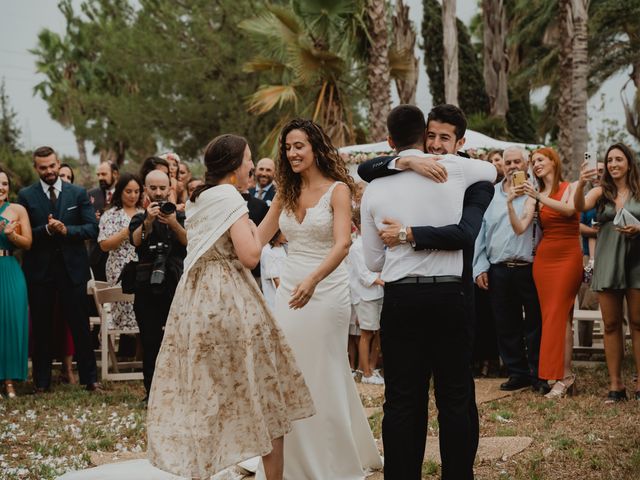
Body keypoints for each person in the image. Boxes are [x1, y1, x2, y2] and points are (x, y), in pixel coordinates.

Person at [144, 134, 315, 480]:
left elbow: (246, 240)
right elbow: (250, 255)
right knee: (263, 389)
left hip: (196, 303)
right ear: (235, 166)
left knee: (207, 395)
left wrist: (277, 202)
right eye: (249, 159)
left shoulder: (203, 197)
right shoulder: (229, 198)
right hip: (229, 302)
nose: (252, 165)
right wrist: (251, 228)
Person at [360, 105, 496, 480]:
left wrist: (406, 235)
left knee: (406, 399)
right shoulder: (460, 171)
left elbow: (373, 262)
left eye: (444, 139)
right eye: (431, 137)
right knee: (451, 398)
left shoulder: (376, 187)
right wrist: (409, 162)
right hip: (447, 297)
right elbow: (494, 169)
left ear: (460, 142)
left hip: (409, 298)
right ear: (422, 137)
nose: (435, 146)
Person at [255, 118, 382, 479]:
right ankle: (292, 456)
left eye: (299, 146)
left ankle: (332, 456)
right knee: (290, 368)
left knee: (324, 368)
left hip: (326, 290)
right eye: (287, 148)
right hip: (290, 288)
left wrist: (312, 279)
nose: (292, 153)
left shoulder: (338, 190)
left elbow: (343, 243)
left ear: (315, 148)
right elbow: (259, 238)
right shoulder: (285, 191)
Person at [18, 146, 100, 393]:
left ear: (57, 163)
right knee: (41, 327)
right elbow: (24, 234)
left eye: (52, 166)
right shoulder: (26, 195)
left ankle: (90, 379)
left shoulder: (77, 193)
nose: (49, 171)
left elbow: (92, 229)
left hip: (72, 270)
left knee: (80, 326)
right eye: (43, 168)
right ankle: (42, 382)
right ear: (36, 168)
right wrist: (45, 230)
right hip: (40, 271)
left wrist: (67, 231)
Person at [508, 146, 582, 399]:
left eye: (540, 160)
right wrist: (510, 204)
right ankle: (563, 376)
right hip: (545, 258)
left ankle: (562, 376)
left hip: (569, 256)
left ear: (553, 161)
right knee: (557, 317)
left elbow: (570, 210)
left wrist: (538, 198)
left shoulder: (570, 187)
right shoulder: (534, 194)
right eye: (533, 162)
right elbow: (520, 228)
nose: (536, 164)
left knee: (558, 314)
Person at [473, 147, 548, 394]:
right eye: (508, 162)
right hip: (499, 267)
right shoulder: (491, 195)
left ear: (526, 164)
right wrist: (479, 266)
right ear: (501, 166)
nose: (513, 166)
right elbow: (481, 235)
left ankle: (538, 372)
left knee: (535, 322)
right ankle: (517, 373)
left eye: (518, 161)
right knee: (506, 323)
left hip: (530, 267)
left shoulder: (537, 193)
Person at [574, 143, 640, 402]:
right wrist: (580, 184)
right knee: (611, 324)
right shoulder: (601, 191)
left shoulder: (638, 190)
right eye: (609, 160)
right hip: (609, 260)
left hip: (637, 260)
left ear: (629, 162)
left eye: (618, 159)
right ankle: (616, 385)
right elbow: (577, 207)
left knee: (637, 323)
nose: (613, 164)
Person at [129, 170, 187, 399]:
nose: (158, 192)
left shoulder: (179, 216)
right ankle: (151, 391)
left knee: (178, 339)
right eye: (153, 188)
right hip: (146, 286)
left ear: (170, 189)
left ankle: (178, 390)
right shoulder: (140, 217)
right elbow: (136, 241)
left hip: (175, 283)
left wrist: (173, 223)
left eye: (163, 188)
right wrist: (149, 221)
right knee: (150, 339)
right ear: (146, 190)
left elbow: (188, 241)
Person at [97, 173, 144, 332]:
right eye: (128, 191)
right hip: (118, 267)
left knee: (142, 308)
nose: (133, 195)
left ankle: (140, 352)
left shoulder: (144, 212)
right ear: (120, 191)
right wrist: (126, 232)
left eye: (137, 191)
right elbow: (104, 245)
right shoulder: (110, 215)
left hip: (142, 266)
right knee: (122, 308)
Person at [0, 167, 32, 398]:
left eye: (4, 183)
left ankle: (9, 380)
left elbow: (28, 243)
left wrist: (11, 235)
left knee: (11, 322)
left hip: (9, 268)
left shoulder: (17, 209)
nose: (1, 188)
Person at [347, 207, 384, 385]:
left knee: (378, 333)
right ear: (360, 224)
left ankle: (373, 367)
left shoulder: (376, 244)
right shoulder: (356, 247)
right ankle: (366, 373)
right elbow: (364, 275)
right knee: (366, 333)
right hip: (365, 295)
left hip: (379, 294)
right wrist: (385, 281)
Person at [88, 161, 119, 281]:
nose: (100, 178)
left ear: (115, 174)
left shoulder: (125, 193)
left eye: (104, 174)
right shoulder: (91, 194)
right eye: (98, 175)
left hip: (119, 253)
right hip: (97, 255)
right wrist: (93, 219)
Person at [260, 229, 287, 310]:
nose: (287, 235)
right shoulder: (267, 251)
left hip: (285, 288)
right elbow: (275, 279)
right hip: (275, 295)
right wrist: (285, 297)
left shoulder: (282, 247)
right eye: (284, 233)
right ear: (276, 233)